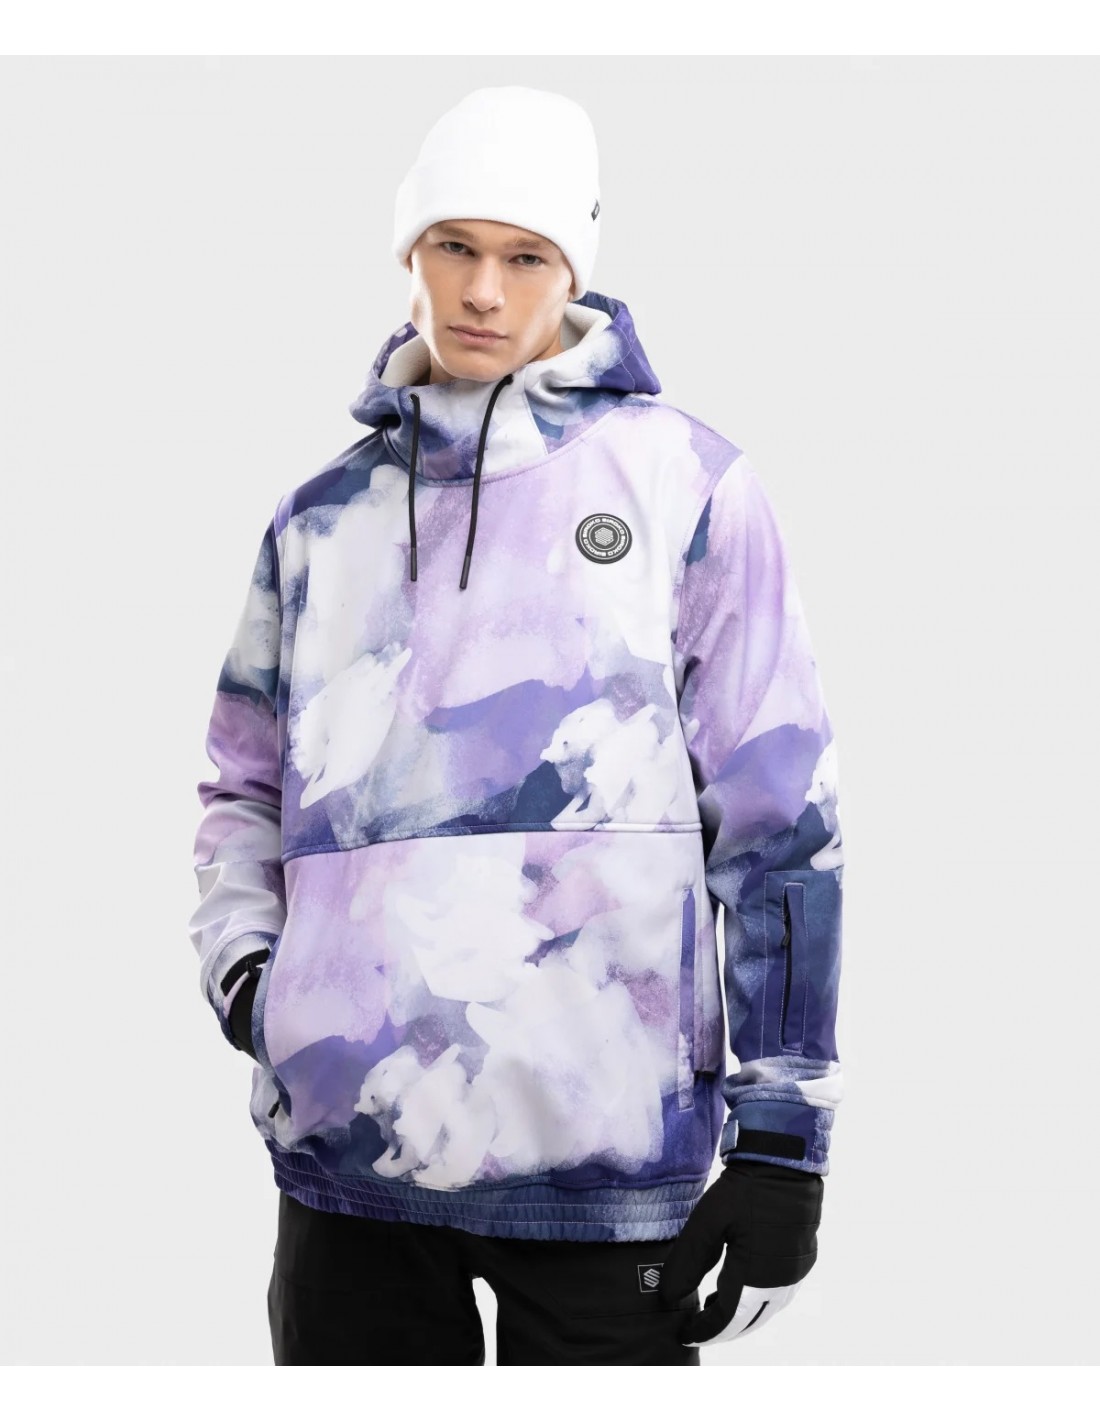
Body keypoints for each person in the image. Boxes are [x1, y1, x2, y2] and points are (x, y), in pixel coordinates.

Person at [188, 85, 845, 1367]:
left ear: (573, 270)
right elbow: (241, 786)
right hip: (347, 1162)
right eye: (454, 246)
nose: (483, 291)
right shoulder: (318, 521)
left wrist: (781, 1144)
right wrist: (257, 985)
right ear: (408, 251)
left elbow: (779, 824)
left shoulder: (686, 486)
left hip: (607, 1160)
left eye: (526, 256)